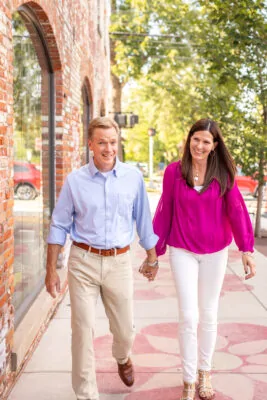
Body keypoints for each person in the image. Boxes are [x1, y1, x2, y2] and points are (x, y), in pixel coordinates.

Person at [45, 116, 159, 400]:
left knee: (125, 330)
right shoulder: (75, 181)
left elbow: (143, 219)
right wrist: (50, 269)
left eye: (112, 142)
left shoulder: (132, 177)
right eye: (102, 143)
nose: (108, 148)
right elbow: (59, 224)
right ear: (90, 145)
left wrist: (152, 256)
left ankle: (122, 357)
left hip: (119, 263)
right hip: (83, 261)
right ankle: (86, 394)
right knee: (82, 330)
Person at [146, 118, 256, 400]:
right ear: (189, 139)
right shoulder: (174, 172)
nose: (199, 145)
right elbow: (164, 211)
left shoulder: (223, 174)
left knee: (208, 314)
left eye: (206, 141)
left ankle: (204, 372)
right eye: (196, 139)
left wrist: (246, 249)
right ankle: (187, 379)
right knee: (187, 315)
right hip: (182, 249)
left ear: (214, 146)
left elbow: (237, 211)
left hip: (215, 252)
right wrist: (154, 254)